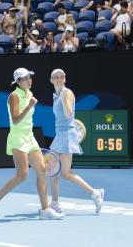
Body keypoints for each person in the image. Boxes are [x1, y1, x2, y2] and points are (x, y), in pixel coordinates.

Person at [0, 68, 64, 220]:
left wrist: (30, 104)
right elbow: (15, 120)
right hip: (18, 137)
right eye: (26, 78)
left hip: (29, 136)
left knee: (41, 170)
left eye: (30, 77)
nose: (29, 80)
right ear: (18, 82)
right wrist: (29, 106)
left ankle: (45, 210)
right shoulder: (14, 96)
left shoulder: (29, 94)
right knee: (22, 175)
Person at [48, 69, 105, 215]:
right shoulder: (55, 95)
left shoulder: (68, 93)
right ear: (51, 80)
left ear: (65, 79)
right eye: (56, 77)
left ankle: (95, 193)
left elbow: (68, 114)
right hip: (59, 134)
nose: (59, 79)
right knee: (52, 170)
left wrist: (65, 98)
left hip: (67, 135)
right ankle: (54, 203)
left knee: (65, 173)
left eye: (62, 77)